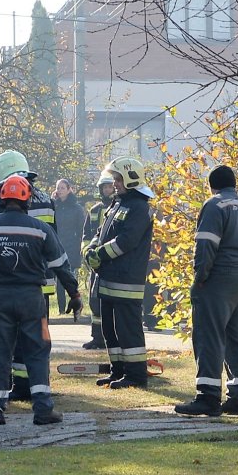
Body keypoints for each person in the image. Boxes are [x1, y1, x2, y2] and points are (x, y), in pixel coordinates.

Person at [0, 174, 81, 427]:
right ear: (27, 199)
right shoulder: (40, 230)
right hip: (32, 299)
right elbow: (61, 266)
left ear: (2, 198)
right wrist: (74, 295)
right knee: (38, 351)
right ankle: (42, 408)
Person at [175, 164, 238, 417]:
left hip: (219, 277)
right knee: (236, 337)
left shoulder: (214, 205)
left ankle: (208, 397)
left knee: (209, 335)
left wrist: (201, 277)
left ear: (212, 185)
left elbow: (206, 244)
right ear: (234, 185)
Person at [85, 156, 154, 388]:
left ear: (131, 179)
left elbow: (127, 241)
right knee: (110, 330)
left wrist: (100, 255)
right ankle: (118, 371)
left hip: (126, 281)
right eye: (114, 179)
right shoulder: (117, 204)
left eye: (117, 179)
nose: (114, 183)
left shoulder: (139, 207)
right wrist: (91, 249)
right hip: (108, 278)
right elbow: (100, 232)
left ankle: (135, 375)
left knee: (128, 330)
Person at [80, 168, 115, 349]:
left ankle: (111, 337)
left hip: (112, 262)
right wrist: (87, 254)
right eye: (105, 188)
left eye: (111, 187)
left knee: (110, 301)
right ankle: (97, 337)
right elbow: (86, 236)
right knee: (95, 301)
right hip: (95, 264)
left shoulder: (118, 209)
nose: (108, 191)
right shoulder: (94, 211)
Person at [52, 178, 86, 322]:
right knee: (58, 280)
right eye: (58, 188)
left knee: (71, 278)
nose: (60, 190)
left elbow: (81, 230)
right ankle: (61, 309)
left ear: (69, 189)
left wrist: (80, 247)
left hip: (72, 248)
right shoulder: (54, 206)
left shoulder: (77, 208)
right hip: (56, 247)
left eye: (63, 188)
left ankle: (76, 305)